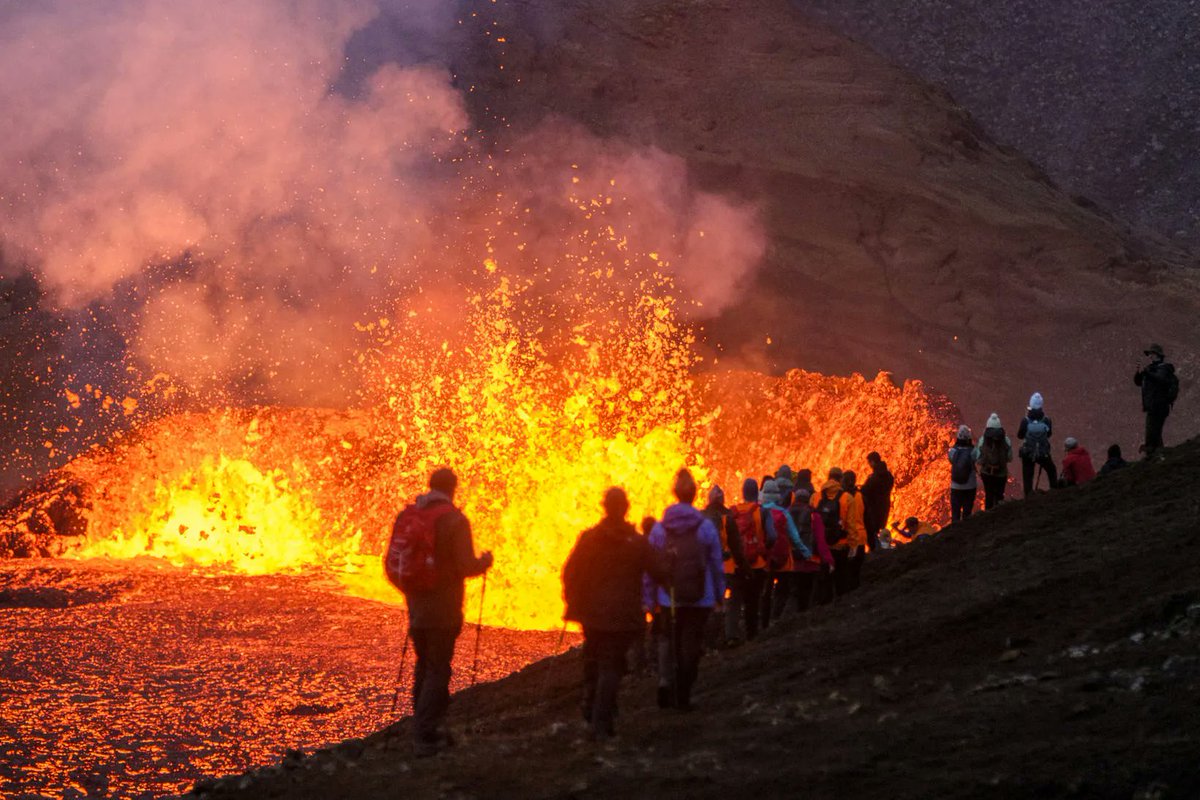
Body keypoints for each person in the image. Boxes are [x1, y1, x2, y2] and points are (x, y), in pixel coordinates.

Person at [397, 468, 493, 757]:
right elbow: (466, 566)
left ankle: (425, 726)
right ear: (453, 488)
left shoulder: (409, 515)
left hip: (416, 605)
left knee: (424, 664)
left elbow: (394, 559)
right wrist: (484, 563)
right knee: (439, 667)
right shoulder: (454, 520)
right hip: (444, 607)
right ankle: (426, 733)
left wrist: (412, 592)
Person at [562, 488, 666, 741]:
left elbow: (570, 572)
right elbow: (658, 573)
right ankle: (601, 721)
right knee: (612, 666)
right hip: (622, 617)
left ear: (604, 507)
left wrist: (574, 599)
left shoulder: (589, 539)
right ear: (625, 508)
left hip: (592, 614)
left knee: (594, 658)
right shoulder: (638, 542)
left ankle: (594, 708)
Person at [645, 469, 725, 711]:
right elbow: (715, 563)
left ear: (675, 493)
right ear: (694, 495)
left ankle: (665, 681)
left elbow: (650, 567)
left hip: (668, 597)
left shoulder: (660, 529)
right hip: (699, 597)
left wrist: (649, 600)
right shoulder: (706, 527)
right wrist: (719, 594)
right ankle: (684, 692)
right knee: (691, 643)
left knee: (668, 640)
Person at [728, 477, 773, 641]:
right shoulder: (762, 511)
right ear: (757, 492)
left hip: (738, 564)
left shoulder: (733, 512)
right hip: (758, 563)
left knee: (735, 600)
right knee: (753, 600)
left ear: (743, 492)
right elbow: (772, 536)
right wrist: (763, 549)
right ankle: (752, 634)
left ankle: (731, 635)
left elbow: (727, 539)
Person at [760, 478, 812, 621]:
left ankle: (763, 621)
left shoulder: (758, 512)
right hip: (784, 559)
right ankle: (776, 618)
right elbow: (794, 537)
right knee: (782, 590)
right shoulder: (784, 513)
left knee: (766, 591)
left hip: (765, 559)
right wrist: (805, 552)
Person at [702, 485, 747, 648]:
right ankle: (730, 635)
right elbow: (736, 546)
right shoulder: (728, 517)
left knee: (710, 604)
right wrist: (745, 567)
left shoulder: (700, 517)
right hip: (727, 568)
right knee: (732, 602)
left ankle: (708, 642)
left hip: (706, 570)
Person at [787, 484, 833, 611]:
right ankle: (805, 621)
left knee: (794, 594)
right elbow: (820, 540)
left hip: (791, 562)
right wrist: (828, 560)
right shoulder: (814, 516)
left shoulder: (786, 514)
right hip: (810, 562)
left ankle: (790, 621)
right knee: (807, 595)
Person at [1134, 344, 1179, 458]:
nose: (1150, 356)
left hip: (1159, 406)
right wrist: (1138, 373)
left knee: (1152, 433)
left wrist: (1147, 373)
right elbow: (1139, 382)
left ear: (1158, 355)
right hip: (1152, 406)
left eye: (1151, 354)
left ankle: (1153, 457)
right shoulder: (1151, 369)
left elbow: (1160, 379)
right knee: (1155, 434)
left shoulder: (1164, 368)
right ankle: (1160, 458)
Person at [1017, 393, 1058, 496]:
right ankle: (1054, 491)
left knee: (1028, 476)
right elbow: (1048, 434)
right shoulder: (1046, 420)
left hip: (1028, 453)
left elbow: (1020, 435)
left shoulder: (1025, 420)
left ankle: (1028, 496)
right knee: (1051, 470)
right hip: (1042, 452)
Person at [973, 414, 1012, 510]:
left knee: (989, 495)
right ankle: (999, 517)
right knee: (999, 496)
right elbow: (1010, 458)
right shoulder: (1006, 440)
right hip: (1001, 473)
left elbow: (978, 457)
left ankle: (988, 518)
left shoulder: (983, 440)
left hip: (986, 472)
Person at [860, 452, 894, 552]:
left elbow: (867, 490)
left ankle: (876, 550)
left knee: (871, 530)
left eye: (869, 462)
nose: (869, 465)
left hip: (873, 509)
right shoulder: (888, 475)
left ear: (873, 462)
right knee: (878, 528)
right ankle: (880, 548)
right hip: (884, 507)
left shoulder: (875, 477)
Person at [840, 470, 867, 591]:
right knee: (857, 569)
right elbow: (868, 517)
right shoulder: (861, 496)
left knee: (846, 569)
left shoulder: (842, 498)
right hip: (861, 536)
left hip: (848, 538)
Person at [948, 425, 977, 522]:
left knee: (955, 514)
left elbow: (952, 461)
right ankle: (966, 535)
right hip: (970, 486)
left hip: (956, 486)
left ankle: (955, 535)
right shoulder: (973, 451)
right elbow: (976, 460)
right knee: (967, 513)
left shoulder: (952, 451)